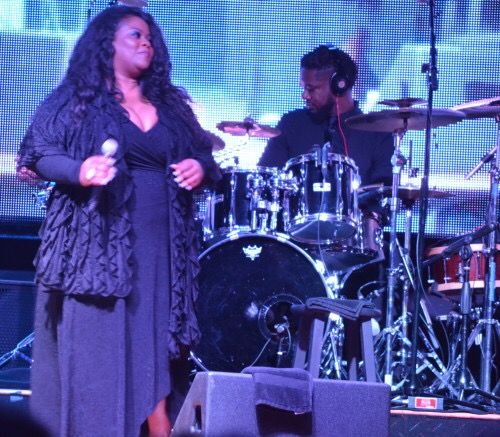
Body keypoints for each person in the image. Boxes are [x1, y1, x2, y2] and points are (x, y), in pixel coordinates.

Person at [17, 5, 220, 437]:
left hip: (161, 250)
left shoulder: (170, 105)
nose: (145, 42)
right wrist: (80, 170)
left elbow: (205, 154)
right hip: (100, 246)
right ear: (106, 44)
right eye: (134, 35)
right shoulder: (78, 99)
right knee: (102, 354)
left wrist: (199, 168)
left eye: (149, 37)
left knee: (155, 351)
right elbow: (41, 153)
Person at [259, 44, 393, 189]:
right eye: (303, 88)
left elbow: (383, 192)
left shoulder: (377, 132)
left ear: (339, 85)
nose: (304, 95)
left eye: (311, 89)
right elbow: (264, 179)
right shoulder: (290, 124)